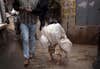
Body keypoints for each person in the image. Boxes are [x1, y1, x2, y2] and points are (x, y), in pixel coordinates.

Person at [13, 0, 39, 66]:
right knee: (25, 39)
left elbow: (40, 10)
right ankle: (26, 57)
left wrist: (32, 11)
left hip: (33, 22)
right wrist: (19, 8)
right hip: (23, 22)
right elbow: (15, 5)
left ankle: (31, 52)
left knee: (32, 38)